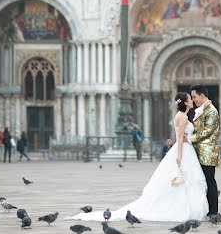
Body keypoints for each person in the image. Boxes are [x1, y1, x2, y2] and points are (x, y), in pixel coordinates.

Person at [70, 92, 208, 222]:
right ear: (185, 102)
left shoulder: (179, 115)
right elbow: (179, 137)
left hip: (184, 149)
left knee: (183, 182)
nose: (192, 101)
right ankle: (183, 208)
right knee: (186, 180)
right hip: (184, 150)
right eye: (190, 99)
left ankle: (180, 205)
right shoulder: (183, 117)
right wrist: (179, 155)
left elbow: (180, 136)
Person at [189, 84, 220, 217]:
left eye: (194, 97)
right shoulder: (202, 109)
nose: (193, 99)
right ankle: (206, 209)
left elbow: (208, 131)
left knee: (209, 181)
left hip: (207, 153)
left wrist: (191, 138)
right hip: (199, 151)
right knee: (203, 181)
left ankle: (213, 212)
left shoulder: (211, 110)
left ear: (202, 95)